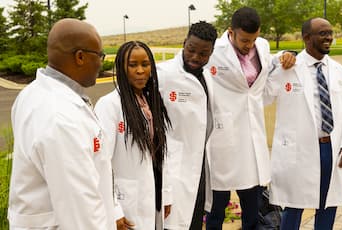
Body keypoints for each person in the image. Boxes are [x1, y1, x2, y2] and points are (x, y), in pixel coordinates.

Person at [8, 18, 122, 229]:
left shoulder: (31, 94)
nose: (101, 63)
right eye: (100, 55)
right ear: (80, 57)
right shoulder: (60, 117)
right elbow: (80, 212)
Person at [205, 7, 295, 230]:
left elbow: (272, 62)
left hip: (252, 135)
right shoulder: (214, 50)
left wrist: (285, 56)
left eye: (253, 39)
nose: (249, 45)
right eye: (244, 40)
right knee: (217, 207)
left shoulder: (262, 46)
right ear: (230, 32)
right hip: (223, 137)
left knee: (252, 207)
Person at [264, 17, 342, 230]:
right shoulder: (288, 67)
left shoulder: (338, 70)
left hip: (331, 147)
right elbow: (264, 97)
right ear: (306, 38)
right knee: (295, 205)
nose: (329, 37)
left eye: (330, 33)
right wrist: (276, 61)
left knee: (328, 204)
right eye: (323, 33)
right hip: (299, 150)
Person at [94, 41, 171, 230]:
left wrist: (166, 193)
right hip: (126, 201)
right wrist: (114, 209)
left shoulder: (151, 102)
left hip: (153, 192)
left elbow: (161, 152)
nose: (140, 71)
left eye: (145, 64)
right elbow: (102, 162)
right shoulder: (109, 105)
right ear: (121, 68)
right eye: (132, 65)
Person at [157, 21, 217, 229]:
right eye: (191, 49)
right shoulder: (162, 74)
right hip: (173, 165)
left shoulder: (208, 77)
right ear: (184, 43)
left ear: (211, 53)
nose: (195, 57)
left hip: (199, 165)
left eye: (203, 54)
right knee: (172, 222)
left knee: (194, 219)